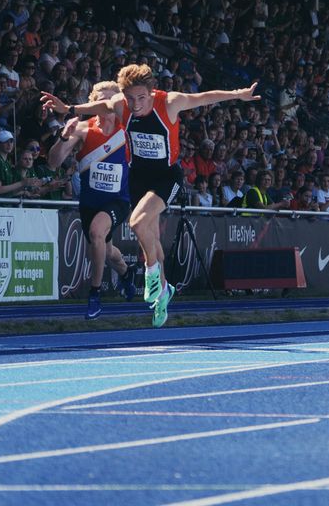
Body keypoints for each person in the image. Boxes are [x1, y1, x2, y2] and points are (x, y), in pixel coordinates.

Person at [45, 64, 260, 328]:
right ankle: (163, 293)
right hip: (138, 178)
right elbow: (100, 108)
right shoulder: (120, 104)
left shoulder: (169, 102)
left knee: (137, 223)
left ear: (151, 91)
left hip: (166, 177)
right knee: (151, 236)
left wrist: (238, 94)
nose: (135, 105)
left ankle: (151, 275)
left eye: (141, 98)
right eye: (130, 98)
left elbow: (204, 97)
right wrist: (69, 109)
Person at [47, 77, 133, 317]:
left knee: (97, 233)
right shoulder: (83, 130)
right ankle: (126, 273)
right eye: (100, 101)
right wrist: (64, 137)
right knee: (105, 250)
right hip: (89, 203)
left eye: (110, 101)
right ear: (93, 104)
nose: (105, 106)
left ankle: (94, 295)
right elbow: (53, 164)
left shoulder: (126, 130)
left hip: (119, 200)